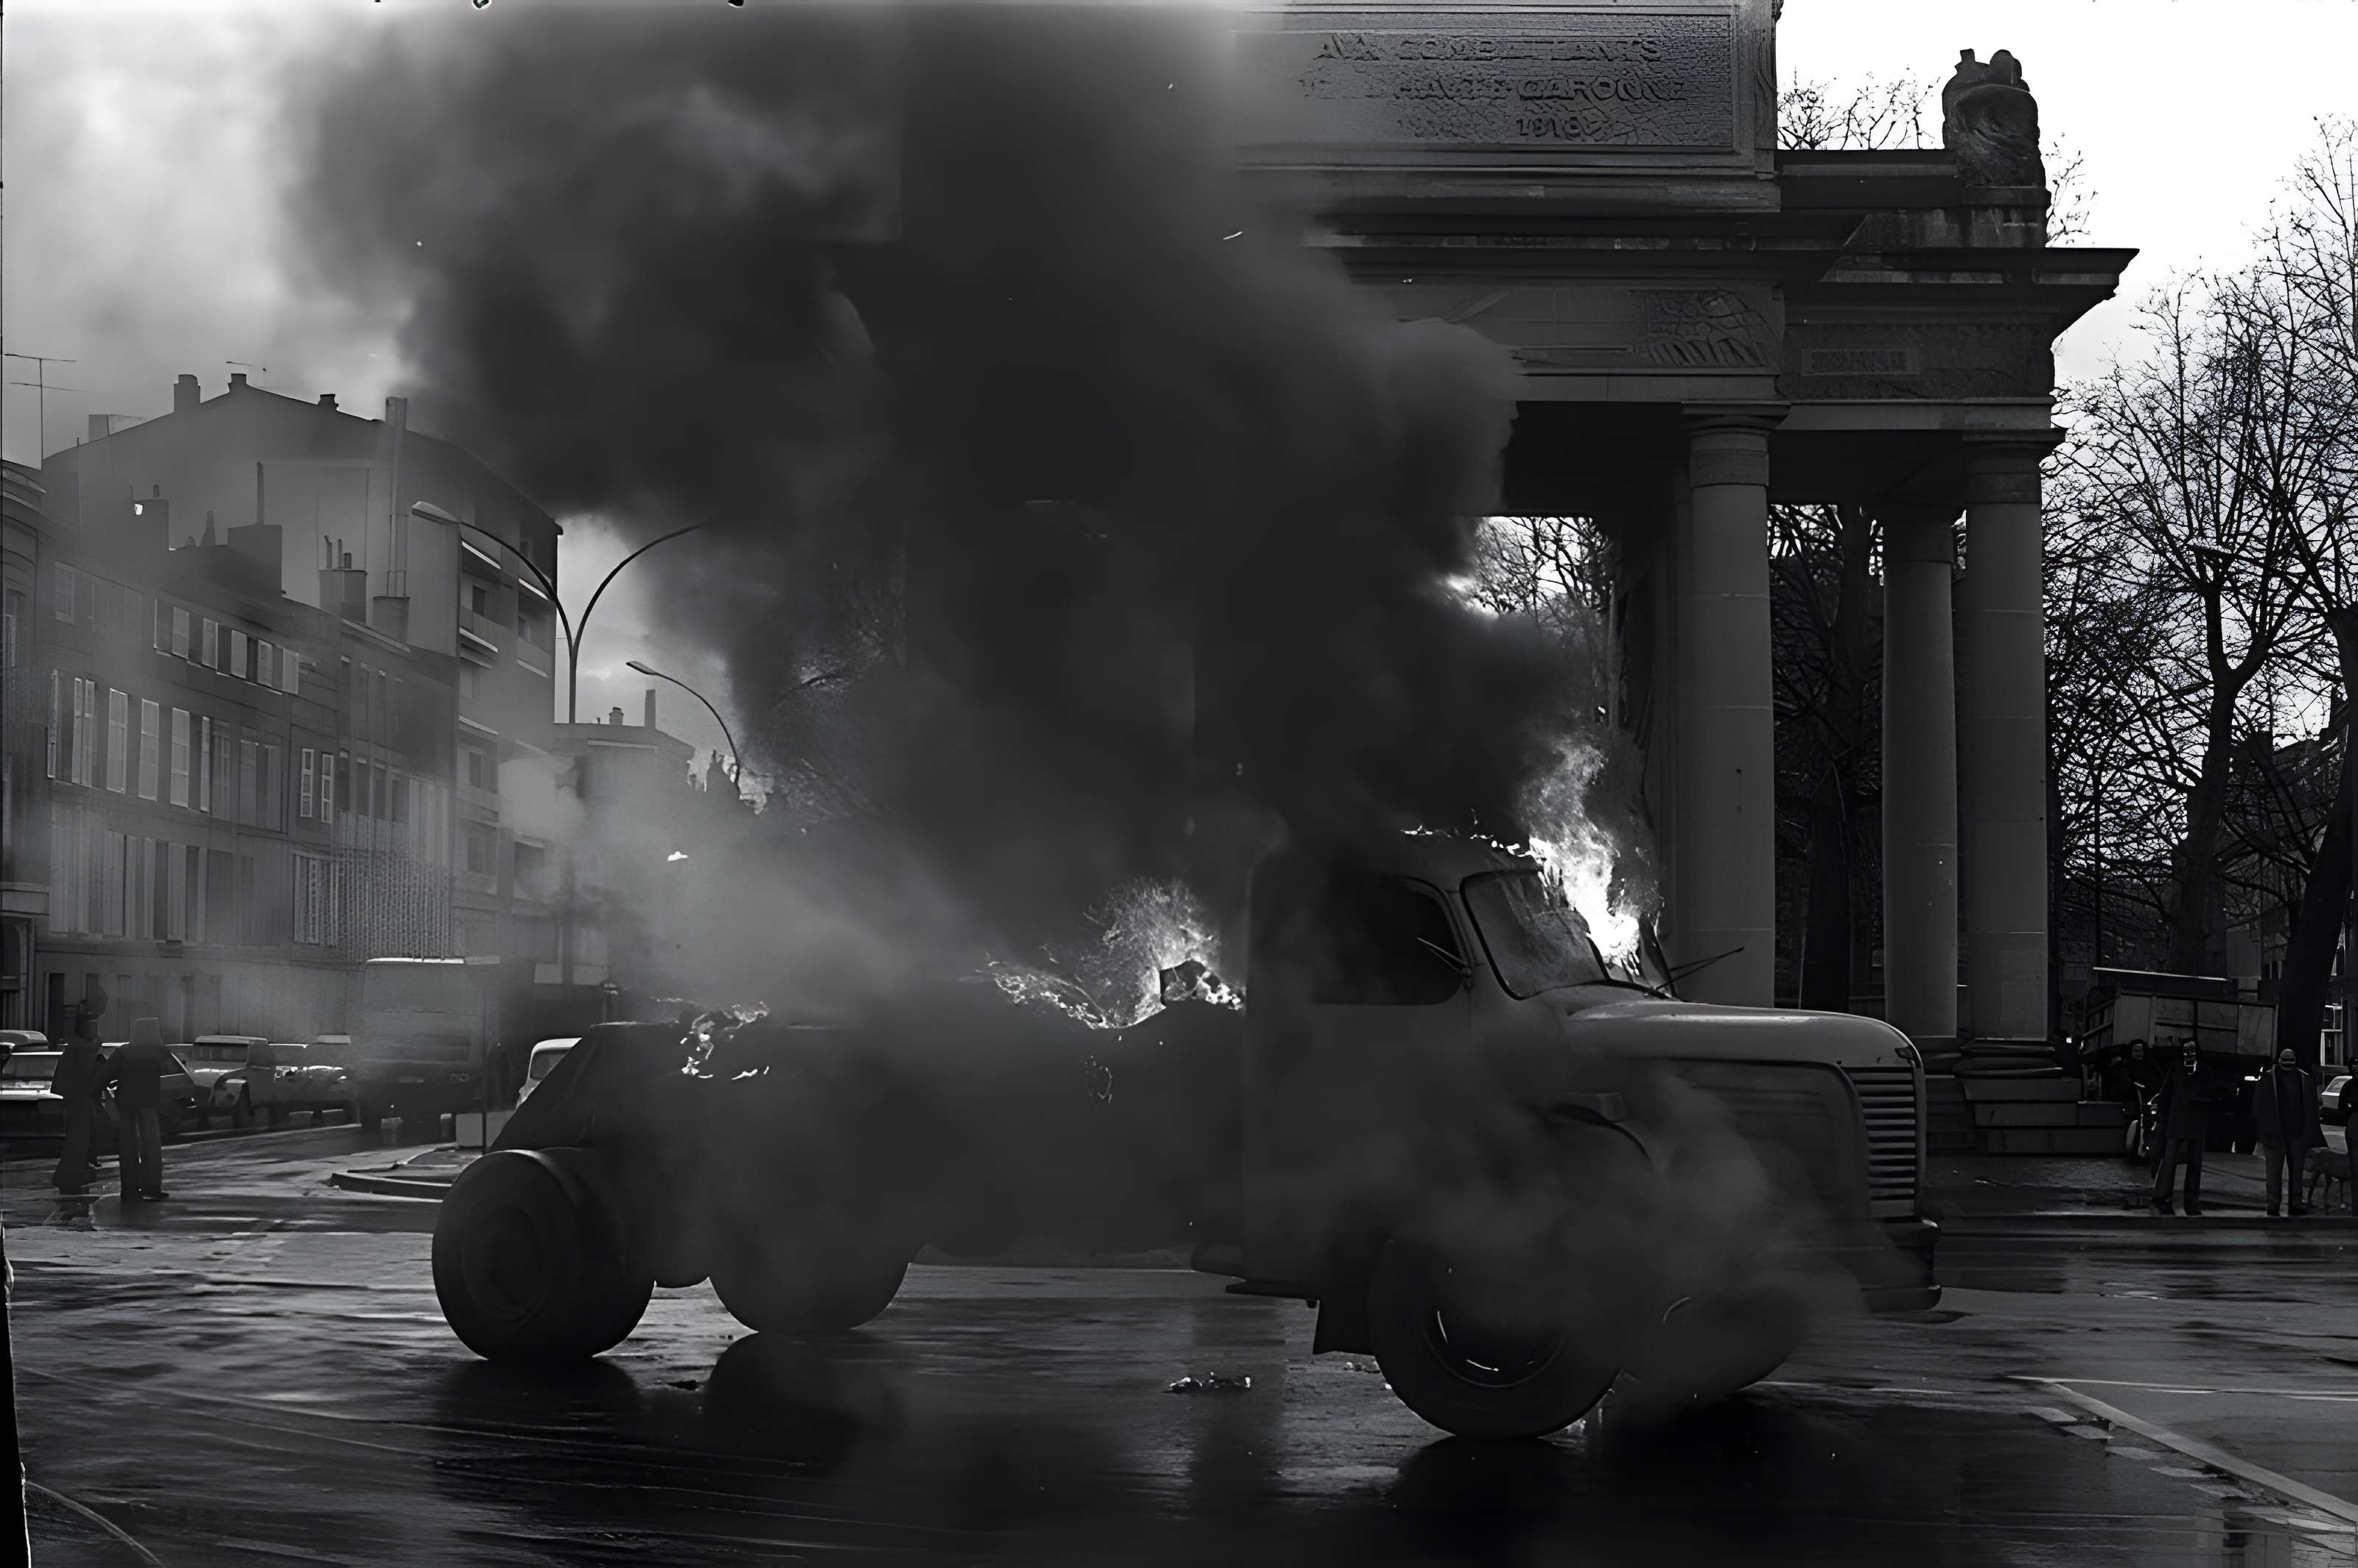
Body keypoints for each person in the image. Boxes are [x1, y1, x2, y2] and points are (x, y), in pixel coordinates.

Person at [96, 1018, 169, 1201]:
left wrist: (92, 1091)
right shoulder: (158, 1052)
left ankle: (129, 1187)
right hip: (149, 1103)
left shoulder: (123, 1053)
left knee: (127, 1145)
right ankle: (152, 1185)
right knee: (151, 1144)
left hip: (126, 1103)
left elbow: (105, 1074)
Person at [2254, 1046, 2324, 1218]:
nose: (2287, 1062)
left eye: (2289, 1059)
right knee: (2277, 1171)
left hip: (2295, 1133)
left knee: (2291, 1171)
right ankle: (2277, 1205)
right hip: (2277, 1132)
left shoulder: (2299, 1078)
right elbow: (2259, 1107)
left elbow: (2311, 1109)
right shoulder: (2270, 1078)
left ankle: (2286, 1204)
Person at [2150, 1040, 2214, 1215]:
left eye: (2192, 1050)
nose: (2189, 1053)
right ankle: (2169, 1197)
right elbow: (2167, 1093)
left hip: (2190, 1121)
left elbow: (2209, 1095)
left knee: (2188, 1162)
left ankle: (2184, 1199)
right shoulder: (2179, 1068)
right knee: (2173, 1161)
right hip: (2181, 1121)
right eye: (2186, 1050)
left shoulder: (2197, 1069)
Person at [49, 1026, 106, 1194]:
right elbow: (89, 1072)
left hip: (75, 1100)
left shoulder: (73, 1051)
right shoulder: (80, 1052)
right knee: (78, 1141)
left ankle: (72, 1177)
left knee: (78, 1141)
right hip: (80, 1100)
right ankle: (69, 1178)